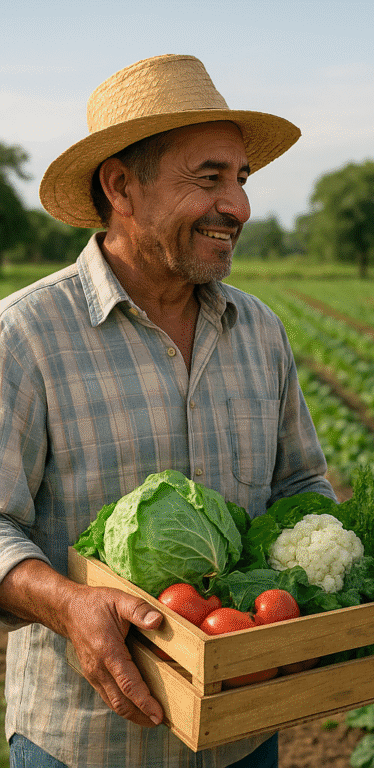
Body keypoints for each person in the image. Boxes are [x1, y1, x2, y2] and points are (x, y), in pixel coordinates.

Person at [0, 54, 336, 768]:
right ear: (121, 186)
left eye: (241, 179)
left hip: (245, 731)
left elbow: (300, 483)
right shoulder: (27, 335)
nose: (238, 206)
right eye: (209, 178)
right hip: (89, 743)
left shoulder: (259, 330)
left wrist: (333, 568)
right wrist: (68, 605)